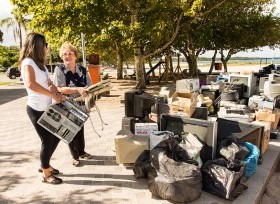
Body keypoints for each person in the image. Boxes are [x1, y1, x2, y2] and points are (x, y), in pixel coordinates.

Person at [19, 32, 65, 184]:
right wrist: (51, 94)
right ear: (39, 46)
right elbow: (31, 84)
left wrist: (56, 92)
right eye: (46, 45)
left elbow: (48, 82)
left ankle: (44, 165)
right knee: (47, 139)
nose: (47, 48)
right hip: (35, 108)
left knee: (56, 136)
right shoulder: (28, 63)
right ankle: (46, 174)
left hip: (46, 108)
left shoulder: (41, 65)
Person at [53, 42, 92, 167]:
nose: (67, 56)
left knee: (80, 129)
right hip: (68, 104)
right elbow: (59, 88)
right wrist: (78, 89)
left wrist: (89, 91)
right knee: (71, 130)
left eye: (70, 53)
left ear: (75, 56)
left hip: (81, 104)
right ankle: (75, 157)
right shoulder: (59, 69)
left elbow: (89, 86)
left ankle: (81, 151)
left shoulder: (83, 69)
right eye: (64, 54)